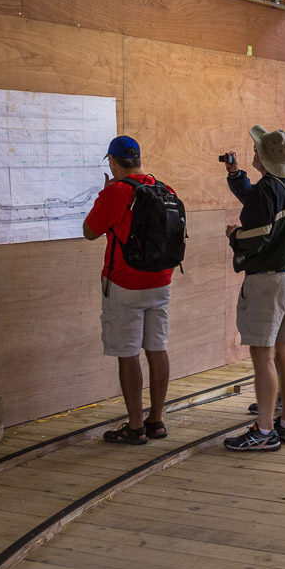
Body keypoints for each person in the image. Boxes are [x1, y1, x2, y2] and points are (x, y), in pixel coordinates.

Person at [223, 126, 285, 451]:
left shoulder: (267, 189)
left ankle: (263, 431)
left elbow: (259, 232)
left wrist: (235, 235)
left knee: (263, 357)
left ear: (263, 157)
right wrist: (236, 176)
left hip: (266, 280)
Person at [83, 136, 175, 445]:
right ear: (138, 159)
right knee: (157, 348)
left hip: (124, 284)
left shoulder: (116, 193)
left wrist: (107, 193)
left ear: (112, 161)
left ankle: (135, 426)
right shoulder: (164, 188)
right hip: (161, 281)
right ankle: (157, 421)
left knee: (128, 353)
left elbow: (89, 232)